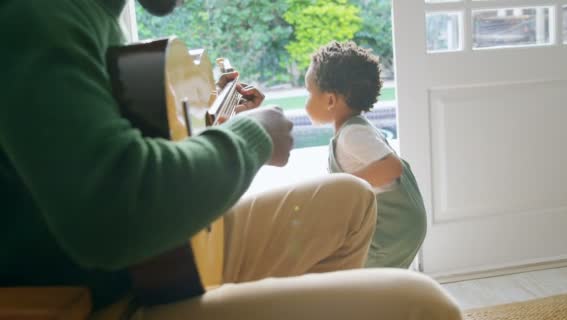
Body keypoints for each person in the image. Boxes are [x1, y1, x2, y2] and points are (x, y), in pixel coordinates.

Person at [0, 1, 462, 319]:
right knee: (422, 304)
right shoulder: (35, 18)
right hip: (106, 295)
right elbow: (114, 215)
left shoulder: (91, 13)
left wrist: (219, 123)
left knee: (351, 199)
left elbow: (130, 146)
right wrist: (253, 134)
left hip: (155, 259)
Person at [304, 41, 427, 269]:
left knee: (365, 281)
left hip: (391, 231)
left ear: (330, 100)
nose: (306, 102)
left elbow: (392, 167)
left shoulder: (353, 135)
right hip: (398, 224)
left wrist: (344, 185)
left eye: (309, 93)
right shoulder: (354, 129)